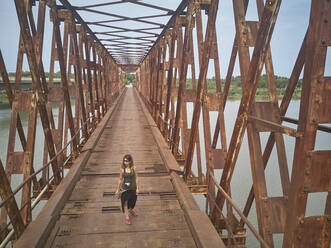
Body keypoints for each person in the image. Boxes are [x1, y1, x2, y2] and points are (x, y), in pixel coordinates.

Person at [115, 154, 139, 225]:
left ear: (130, 161)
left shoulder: (134, 168)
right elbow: (120, 179)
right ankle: (127, 218)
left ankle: (130, 210)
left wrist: (137, 188)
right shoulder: (122, 169)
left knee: (133, 202)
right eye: (124, 160)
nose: (125, 162)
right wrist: (117, 189)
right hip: (125, 189)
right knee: (125, 203)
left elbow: (136, 178)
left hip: (133, 188)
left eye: (126, 161)